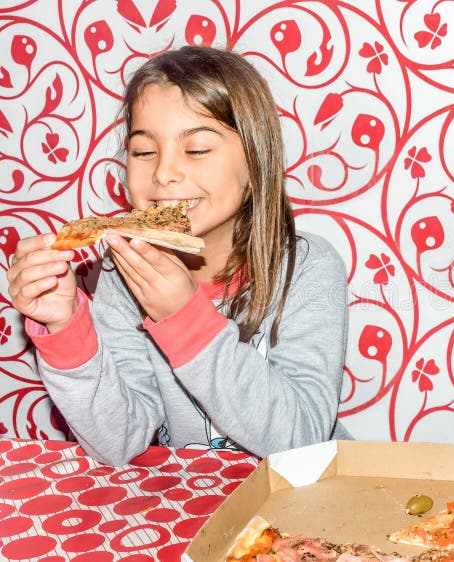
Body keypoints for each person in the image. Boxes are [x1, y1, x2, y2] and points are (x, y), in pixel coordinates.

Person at [6, 46, 349, 465]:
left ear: (257, 161)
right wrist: (65, 328)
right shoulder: (124, 272)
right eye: (144, 151)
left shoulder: (307, 268)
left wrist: (185, 318)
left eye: (198, 149)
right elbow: (120, 443)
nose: (164, 172)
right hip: (191, 504)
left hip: (302, 499)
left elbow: (304, 440)